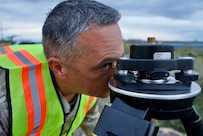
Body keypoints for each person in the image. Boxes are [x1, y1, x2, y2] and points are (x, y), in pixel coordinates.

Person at [0, 0, 124, 135]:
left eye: (120, 61)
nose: (117, 75)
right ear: (58, 67)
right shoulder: (5, 98)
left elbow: (91, 127)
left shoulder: (90, 82)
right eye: (105, 65)